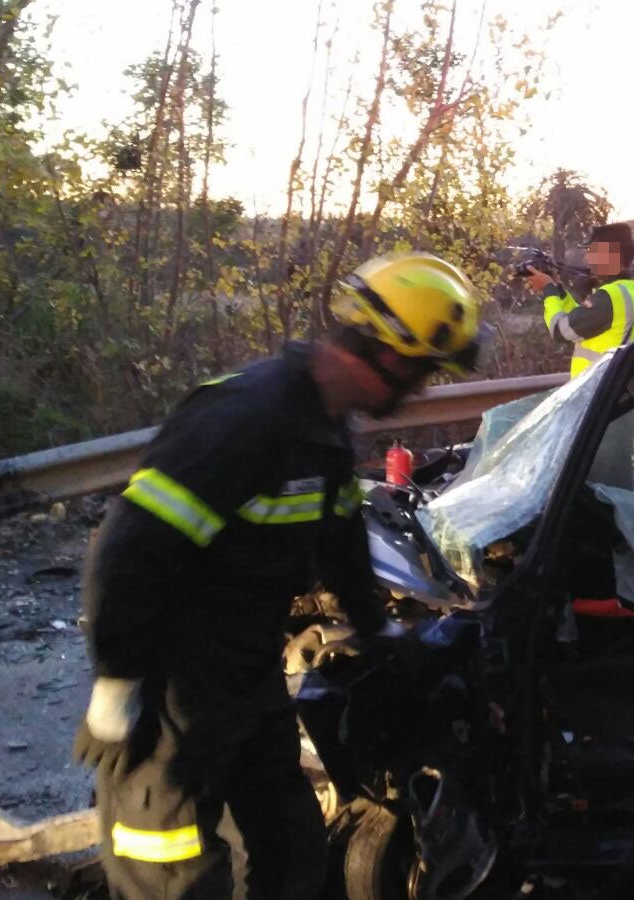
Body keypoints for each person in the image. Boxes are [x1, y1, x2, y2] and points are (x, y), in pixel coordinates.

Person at [73, 252, 484, 898]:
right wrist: (117, 681)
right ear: (391, 354)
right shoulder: (245, 419)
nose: (423, 390)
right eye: (425, 372)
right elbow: (127, 549)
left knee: (294, 851)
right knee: (173, 873)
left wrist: (381, 634)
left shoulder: (322, 428)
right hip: (170, 697)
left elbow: (341, 537)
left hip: (247, 682)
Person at [527, 222, 634, 378]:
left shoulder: (609, 297)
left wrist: (548, 290)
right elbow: (578, 320)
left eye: (592, 251)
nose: (587, 257)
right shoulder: (628, 290)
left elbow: (561, 331)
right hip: (610, 388)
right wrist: (558, 289)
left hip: (597, 392)